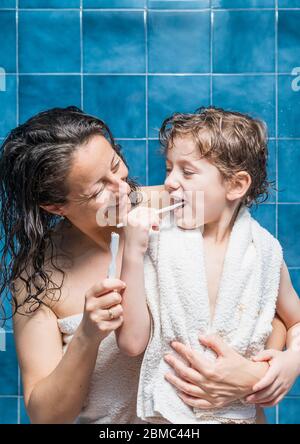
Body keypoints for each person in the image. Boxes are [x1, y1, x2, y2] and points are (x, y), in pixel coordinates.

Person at [116, 107, 300, 424]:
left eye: (187, 172)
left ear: (236, 185)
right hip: (166, 419)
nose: (169, 183)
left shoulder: (265, 251)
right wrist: (131, 252)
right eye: (169, 168)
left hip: (243, 415)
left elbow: (295, 321)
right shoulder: (156, 242)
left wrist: (291, 361)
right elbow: (131, 342)